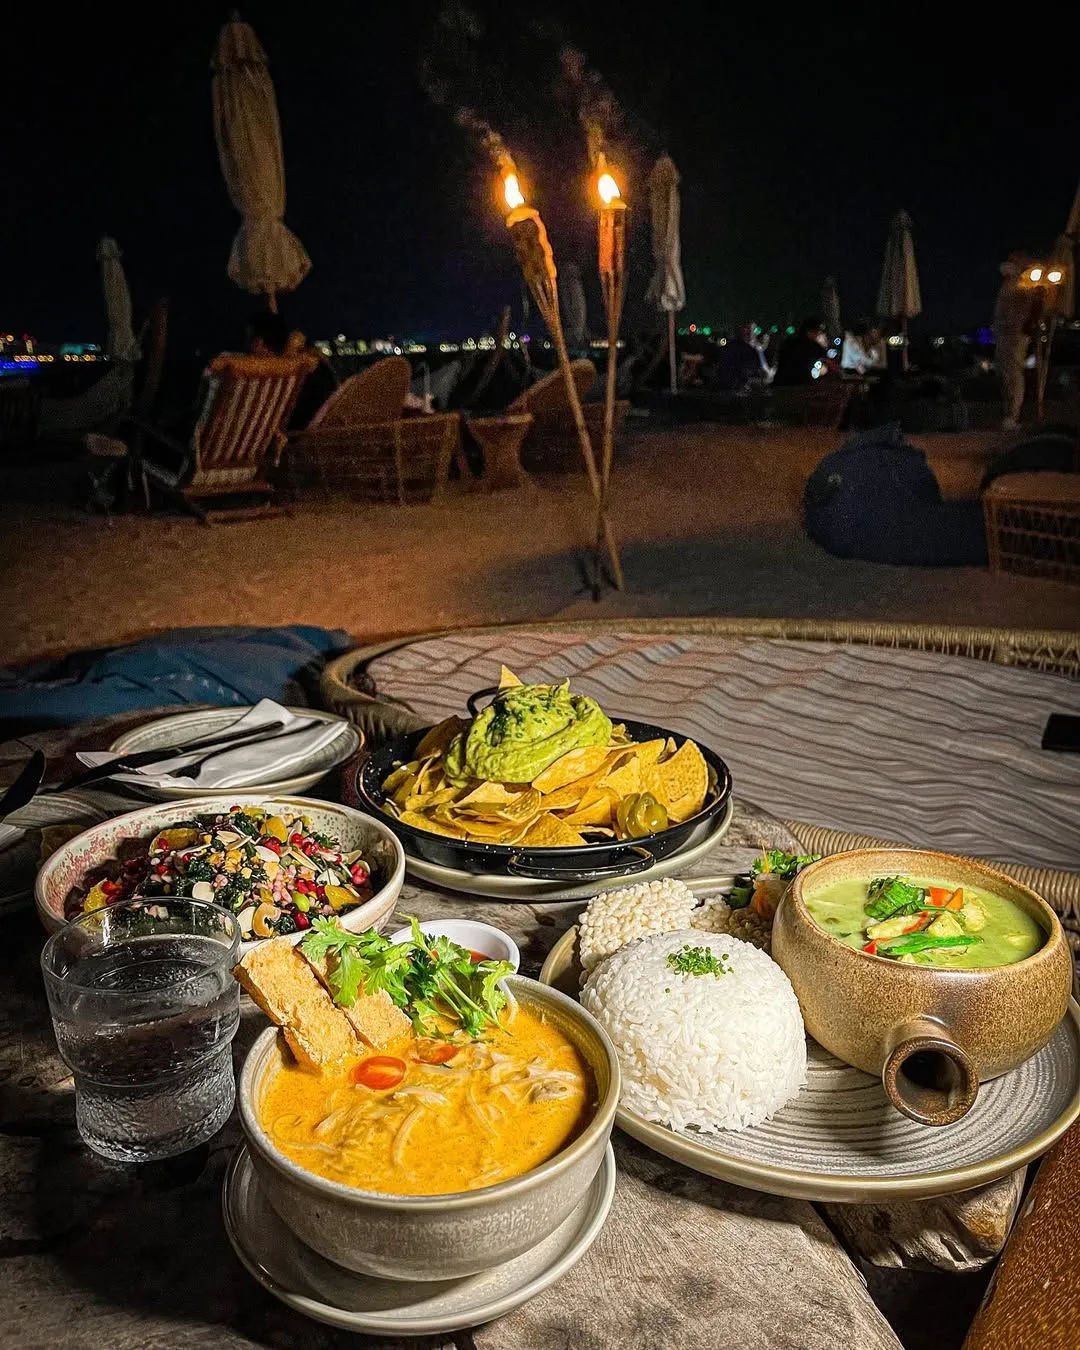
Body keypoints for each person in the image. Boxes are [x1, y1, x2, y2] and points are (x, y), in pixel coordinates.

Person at [246, 311, 339, 430]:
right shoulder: (311, 362)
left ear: (258, 343)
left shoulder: (282, 375)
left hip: (300, 439)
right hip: (325, 430)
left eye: (249, 339)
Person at [993, 252, 1038, 430]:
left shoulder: (1022, 286)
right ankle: (1009, 414)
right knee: (1005, 374)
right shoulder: (1009, 286)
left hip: (1015, 335)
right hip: (1004, 335)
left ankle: (1013, 415)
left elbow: (1030, 310)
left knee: (1012, 375)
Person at [709, 321, 772, 392]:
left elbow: (764, 372)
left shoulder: (757, 349)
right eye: (747, 328)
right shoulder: (733, 348)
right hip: (735, 389)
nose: (750, 332)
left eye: (753, 329)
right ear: (741, 330)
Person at [774, 317, 829, 386]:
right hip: (802, 387)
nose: (819, 335)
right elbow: (822, 369)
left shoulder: (788, 343)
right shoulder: (814, 347)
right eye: (818, 332)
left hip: (781, 384)